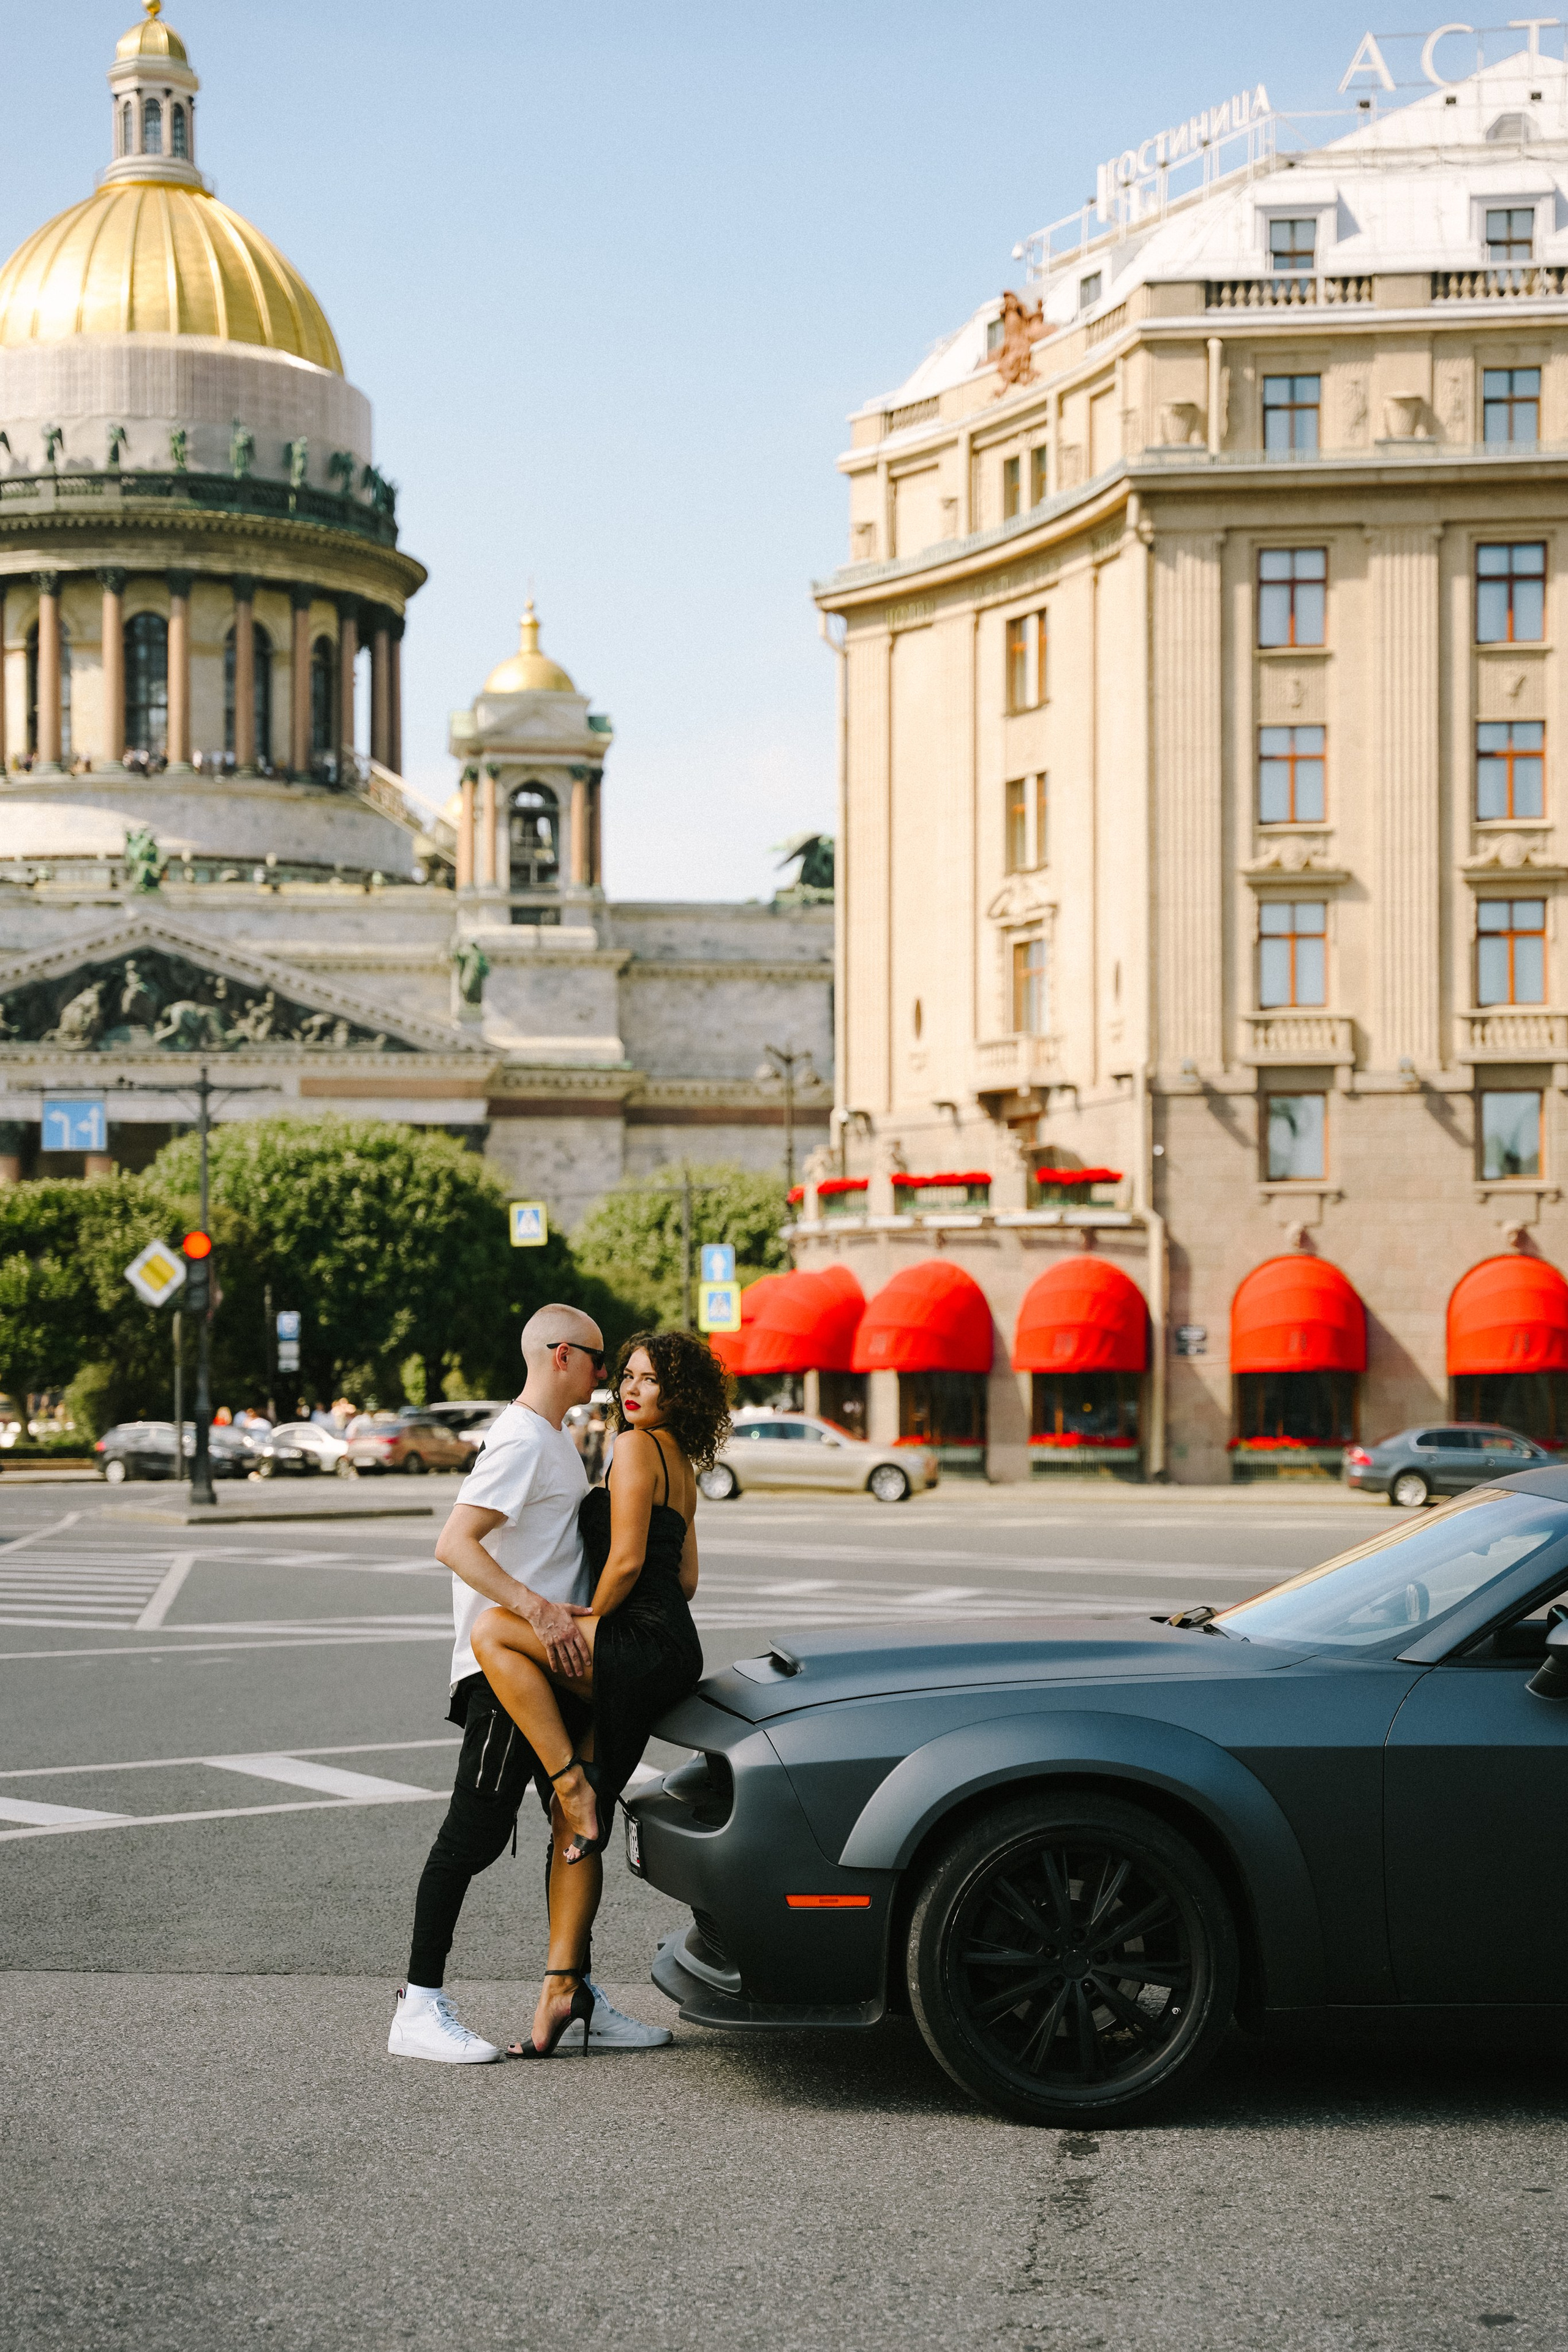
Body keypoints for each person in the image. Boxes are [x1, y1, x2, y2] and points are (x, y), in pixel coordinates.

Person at [387, 1303, 674, 2064]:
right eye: (598, 1359)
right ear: (558, 1356)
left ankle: (573, 1989)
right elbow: (454, 1543)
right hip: (504, 1671)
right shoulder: (520, 1438)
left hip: (551, 1667)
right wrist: (539, 1613)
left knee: (572, 1828)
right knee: (472, 1836)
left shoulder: (554, 1440)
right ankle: (418, 2006)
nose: (608, 1376)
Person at [469, 1327, 728, 2059]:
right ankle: (562, 1987)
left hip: (636, 1641)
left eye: (649, 1381)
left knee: (495, 1630)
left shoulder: (636, 1448)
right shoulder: (680, 1459)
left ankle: (566, 1778)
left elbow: (626, 1563)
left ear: (677, 1395)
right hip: (670, 1644)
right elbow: (685, 1581)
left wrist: (582, 1619)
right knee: (573, 1829)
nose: (632, 1390)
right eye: (630, 1378)